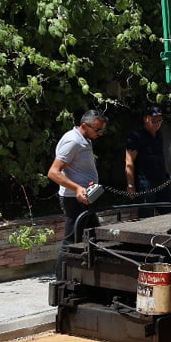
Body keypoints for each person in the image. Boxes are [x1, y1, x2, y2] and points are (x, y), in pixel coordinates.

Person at [47, 110, 108, 275]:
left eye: (103, 130)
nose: (100, 134)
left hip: (85, 198)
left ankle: (88, 275)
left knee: (94, 237)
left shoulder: (84, 139)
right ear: (84, 126)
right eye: (98, 130)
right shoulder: (73, 141)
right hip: (75, 200)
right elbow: (53, 172)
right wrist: (77, 188)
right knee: (71, 241)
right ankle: (60, 282)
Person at [125, 106, 171, 217]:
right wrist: (130, 185)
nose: (157, 123)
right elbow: (129, 161)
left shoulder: (159, 134)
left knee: (169, 211)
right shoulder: (136, 136)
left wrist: (166, 174)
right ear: (146, 119)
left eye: (159, 120)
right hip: (145, 182)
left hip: (161, 179)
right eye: (154, 120)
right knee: (146, 213)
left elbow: (161, 155)